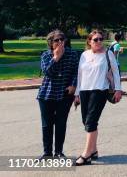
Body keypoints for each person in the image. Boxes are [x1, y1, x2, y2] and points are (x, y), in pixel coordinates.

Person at [74, 30, 122, 166]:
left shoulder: (108, 54)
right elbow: (79, 75)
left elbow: (116, 72)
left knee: (91, 121)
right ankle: (94, 150)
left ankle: (86, 154)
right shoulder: (84, 55)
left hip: (100, 90)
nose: (99, 42)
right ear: (89, 41)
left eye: (101, 39)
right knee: (86, 121)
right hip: (84, 90)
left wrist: (118, 89)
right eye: (96, 39)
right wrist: (77, 94)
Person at [37, 30, 80, 160]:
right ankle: (47, 153)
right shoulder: (46, 55)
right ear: (50, 43)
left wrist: (73, 85)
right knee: (47, 125)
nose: (60, 42)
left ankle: (59, 152)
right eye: (56, 40)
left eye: (62, 39)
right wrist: (56, 57)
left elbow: (78, 72)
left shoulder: (72, 54)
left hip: (65, 94)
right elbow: (47, 72)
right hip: (47, 94)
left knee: (61, 124)